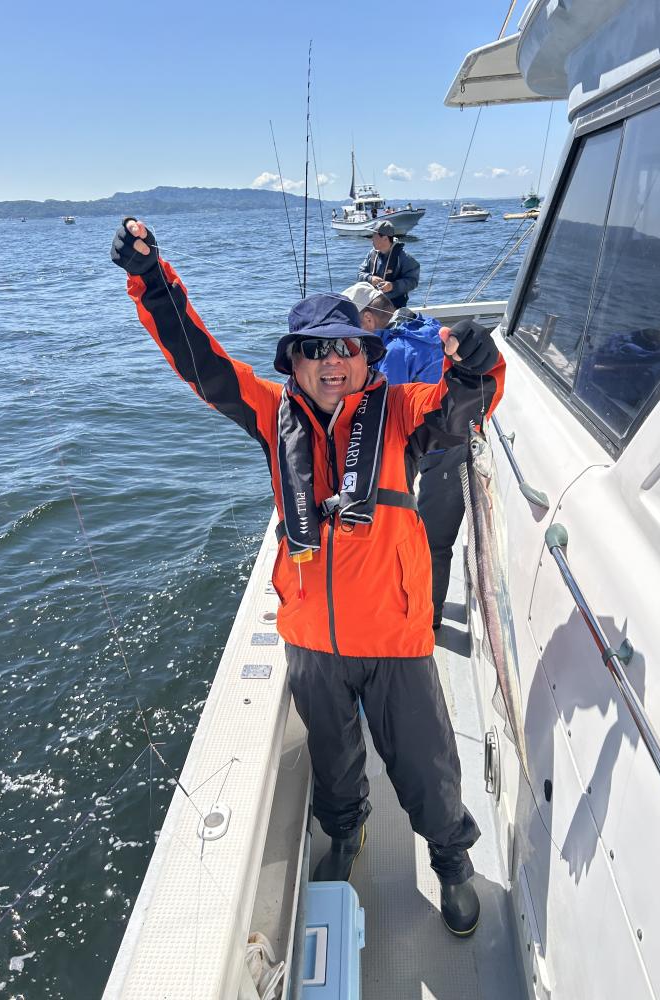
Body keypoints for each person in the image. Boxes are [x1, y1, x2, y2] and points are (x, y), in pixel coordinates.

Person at [111, 218, 506, 938]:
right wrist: (152, 282)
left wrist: (477, 367)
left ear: (366, 357)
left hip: (393, 636)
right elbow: (201, 364)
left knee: (426, 763)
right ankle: (345, 834)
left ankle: (451, 860)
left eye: (345, 349)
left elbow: (461, 410)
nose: (332, 363)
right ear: (292, 363)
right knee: (333, 761)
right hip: (313, 642)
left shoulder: (400, 411)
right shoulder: (272, 415)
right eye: (314, 351)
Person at [344, 283, 497, 627]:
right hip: (453, 436)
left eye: (349, 324)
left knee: (431, 539)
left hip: (440, 447)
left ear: (367, 319)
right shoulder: (418, 326)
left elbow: (386, 411)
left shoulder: (396, 350)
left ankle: (428, 618)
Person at [358, 220, 419, 309]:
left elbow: (413, 281)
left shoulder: (404, 258)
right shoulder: (371, 254)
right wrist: (370, 278)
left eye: (374, 236)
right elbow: (360, 274)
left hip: (394, 306)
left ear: (385, 238)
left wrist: (392, 286)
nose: (372, 239)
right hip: (372, 304)